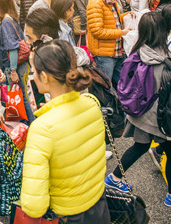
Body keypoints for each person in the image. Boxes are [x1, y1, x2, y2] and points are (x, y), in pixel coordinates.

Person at [104, 13, 171, 209]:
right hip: (159, 118)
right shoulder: (164, 60)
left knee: (140, 146)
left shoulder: (138, 52)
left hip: (140, 113)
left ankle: (114, 178)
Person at [21, 40, 109, 221]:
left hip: (68, 213)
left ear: (45, 76)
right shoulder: (91, 102)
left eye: (34, 71)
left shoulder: (42, 127)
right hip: (99, 203)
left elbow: (34, 205)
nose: (33, 76)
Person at [0, 0, 34, 121]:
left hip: (14, 67)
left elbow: (12, 48)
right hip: (15, 66)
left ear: (0, 3)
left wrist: (13, 70)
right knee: (21, 97)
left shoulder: (7, 21)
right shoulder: (4, 19)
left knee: (21, 99)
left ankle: (29, 125)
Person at [87, 0, 130, 87]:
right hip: (104, 55)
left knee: (122, 83)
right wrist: (121, 33)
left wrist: (128, 15)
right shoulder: (96, 3)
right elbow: (98, 31)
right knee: (106, 86)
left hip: (116, 51)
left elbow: (113, 20)